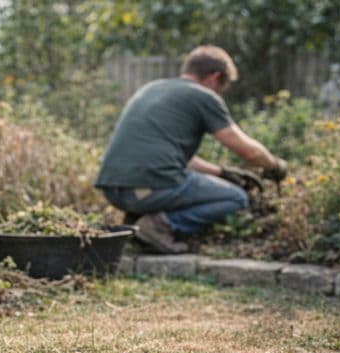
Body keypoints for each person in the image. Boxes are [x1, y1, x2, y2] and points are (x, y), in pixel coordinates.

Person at [94, 45, 287, 253]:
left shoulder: (152, 88)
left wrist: (222, 172)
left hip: (113, 189)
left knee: (182, 180)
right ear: (215, 77)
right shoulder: (203, 96)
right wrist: (274, 164)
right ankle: (158, 226)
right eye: (221, 87)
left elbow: (173, 158)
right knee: (235, 197)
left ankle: (138, 221)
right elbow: (247, 151)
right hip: (151, 187)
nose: (219, 93)